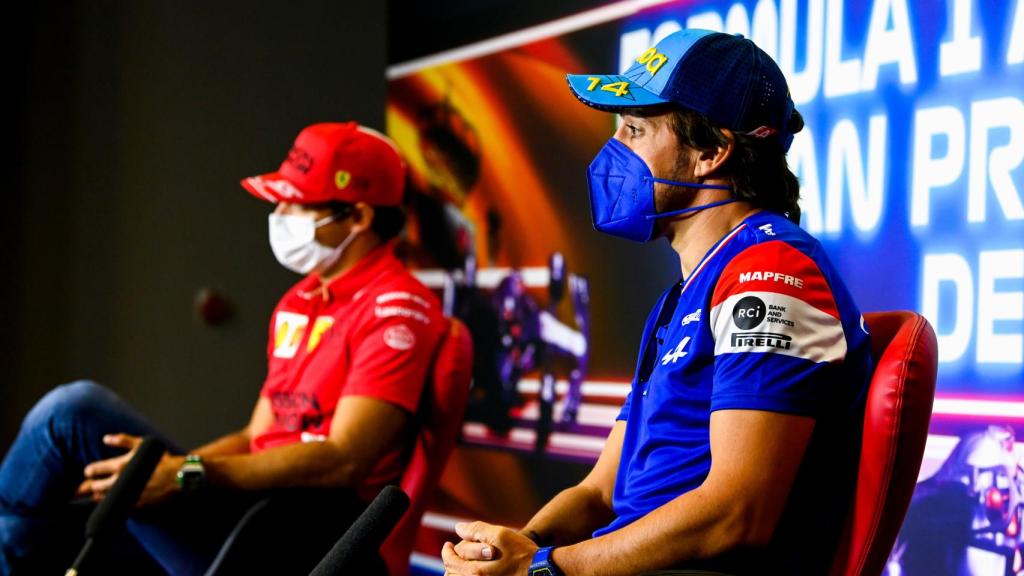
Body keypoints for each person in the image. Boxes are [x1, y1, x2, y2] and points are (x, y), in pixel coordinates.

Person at [441, 29, 872, 576]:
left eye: (636, 129)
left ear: (711, 153)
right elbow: (600, 492)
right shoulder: (685, 296)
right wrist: (513, 549)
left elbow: (736, 514)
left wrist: (542, 570)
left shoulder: (770, 272)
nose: (613, 151)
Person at [0, 122, 447, 575]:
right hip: (248, 507)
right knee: (63, 519)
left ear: (358, 216)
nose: (280, 212)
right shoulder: (300, 301)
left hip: (296, 537)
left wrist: (187, 474)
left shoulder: (398, 312)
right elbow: (256, 436)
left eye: (297, 202)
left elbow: (344, 459)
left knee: (72, 412)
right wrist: (172, 469)